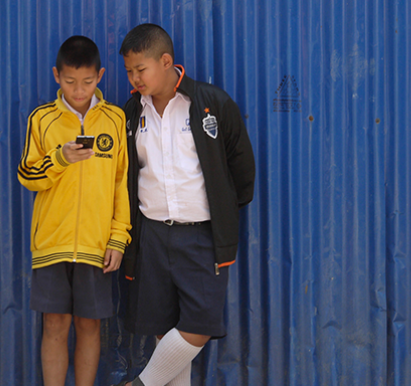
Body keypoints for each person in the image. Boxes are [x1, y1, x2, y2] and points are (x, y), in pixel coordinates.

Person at [116, 24, 255, 386]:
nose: (134, 78)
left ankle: (141, 385)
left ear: (166, 61)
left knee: (199, 326)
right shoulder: (131, 113)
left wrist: (223, 209)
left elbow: (242, 167)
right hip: (153, 235)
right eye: (129, 71)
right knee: (165, 330)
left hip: (202, 235)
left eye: (140, 70)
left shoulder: (211, 103)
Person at [18, 35, 131, 386]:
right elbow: (27, 175)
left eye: (86, 82)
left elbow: (121, 184)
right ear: (56, 76)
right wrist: (60, 158)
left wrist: (117, 238)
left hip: (96, 247)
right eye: (69, 82)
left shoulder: (114, 120)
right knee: (54, 324)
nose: (78, 90)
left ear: (100, 75)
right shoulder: (42, 119)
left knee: (90, 324)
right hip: (52, 244)